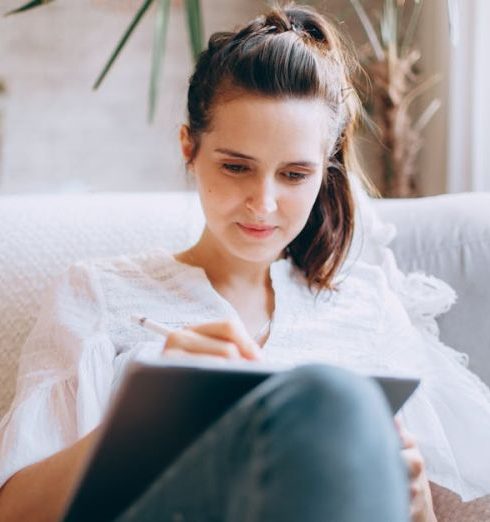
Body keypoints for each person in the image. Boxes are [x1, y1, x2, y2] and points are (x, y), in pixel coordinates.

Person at [1, 2, 489, 521]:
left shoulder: (370, 306)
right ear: (189, 146)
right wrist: (145, 419)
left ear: (325, 172)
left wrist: (417, 510)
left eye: (295, 175)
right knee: (331, 396)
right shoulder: (99, 295)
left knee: (336, 401)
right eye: (236, 167)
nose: (263, 203)